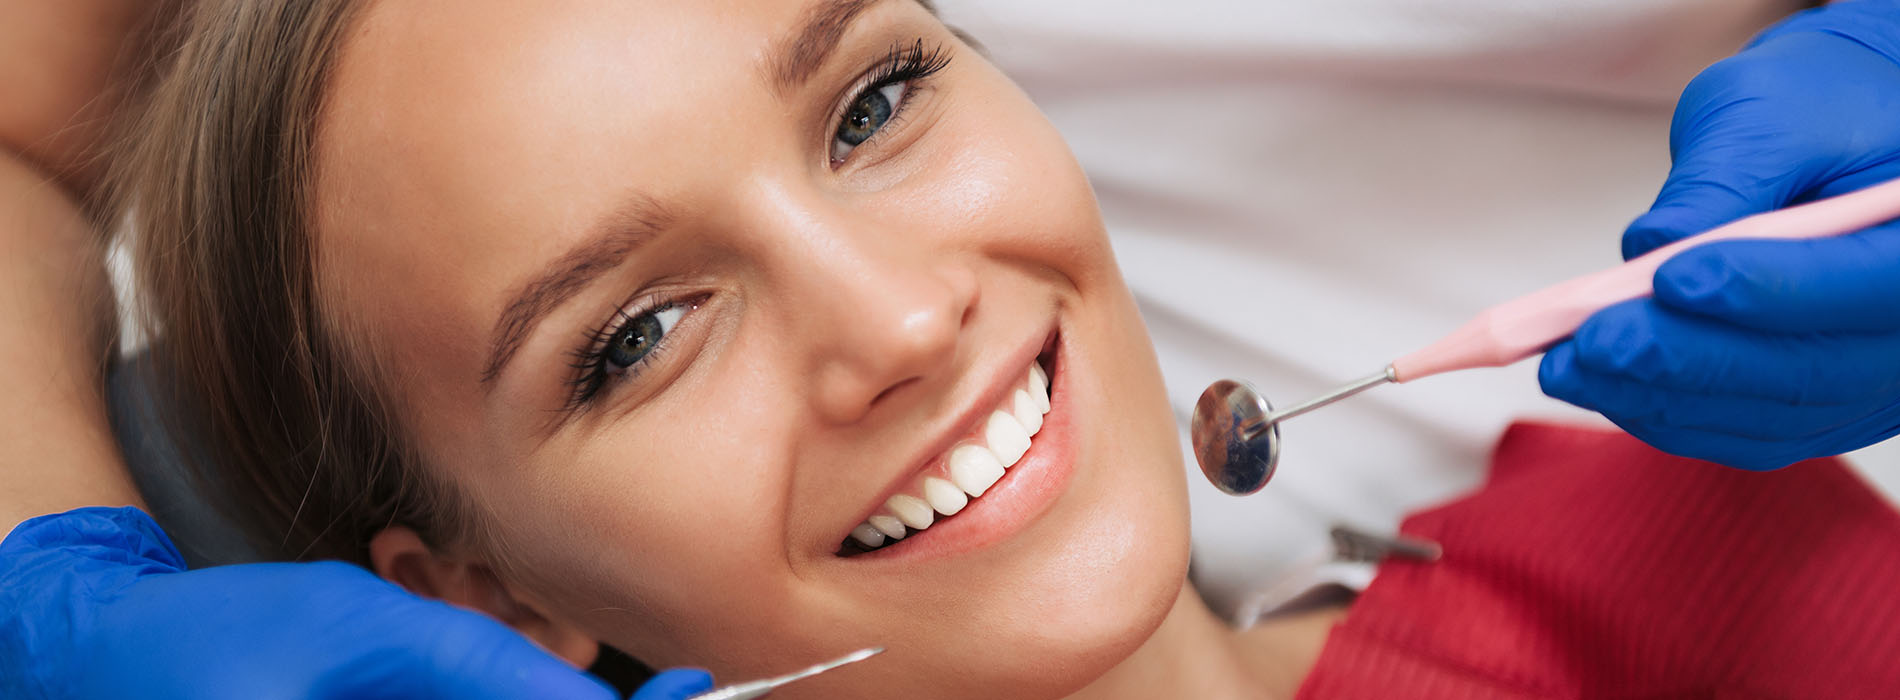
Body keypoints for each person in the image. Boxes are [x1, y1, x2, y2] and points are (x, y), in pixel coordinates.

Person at [4, 0, 1898, 697]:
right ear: (484, 604)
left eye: (873, 103)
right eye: (639, 335)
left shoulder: (1668, 555)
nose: (904, 321)